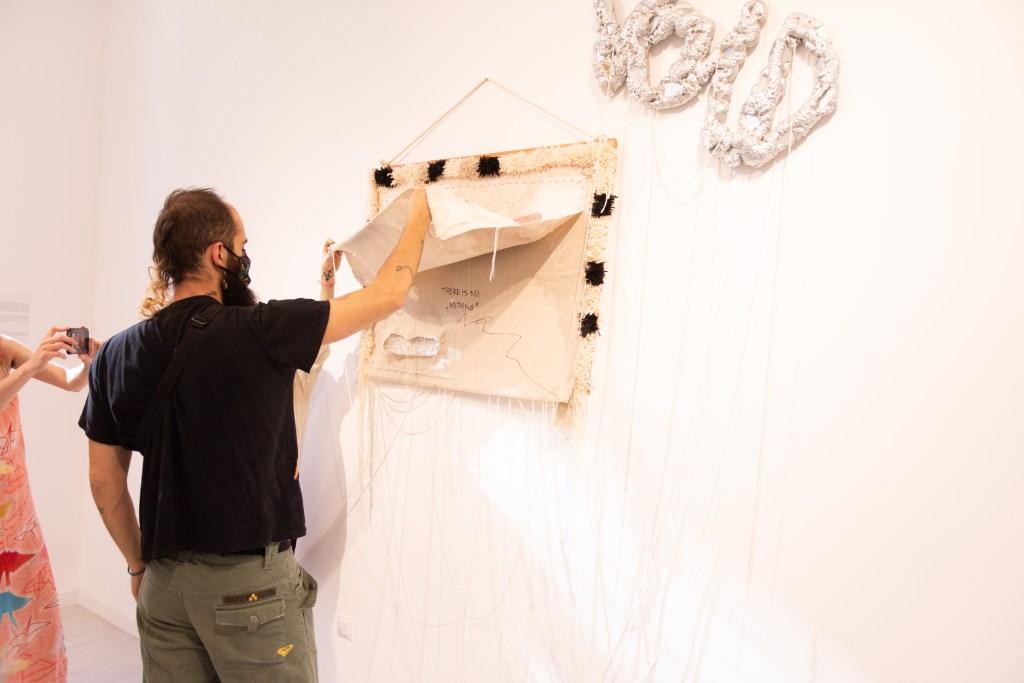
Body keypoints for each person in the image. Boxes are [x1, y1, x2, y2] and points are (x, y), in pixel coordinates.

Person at [79, 187, 431, 681]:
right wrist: (419, 217)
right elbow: (387, 296)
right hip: (248, 592)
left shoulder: (114, 355)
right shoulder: (260, 330)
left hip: (162, 588)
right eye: (243, 245)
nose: (246, 256)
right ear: (218, 254)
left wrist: (138, 566)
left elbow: (104, 482)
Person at [1, 327, 100, 682]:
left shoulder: (4, 346)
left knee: (26, 593)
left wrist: (88, 365)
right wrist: (31, 366)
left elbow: (69, 383)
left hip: (12, 500)